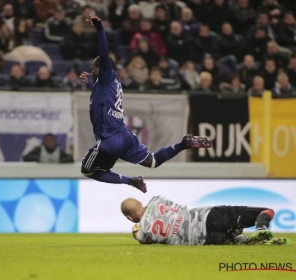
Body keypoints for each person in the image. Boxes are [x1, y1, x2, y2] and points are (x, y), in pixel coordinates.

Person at [79, 17, 212, 193]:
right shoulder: (109, 83)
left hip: (109, 140)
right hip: (124, 135)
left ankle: (130, 181)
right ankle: (183, 144)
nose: (91, 70)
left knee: (87, 170)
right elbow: (99, 97)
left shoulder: (106, 73)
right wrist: (90, 81)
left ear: (102, 68)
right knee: (152, 161)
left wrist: (100, 29)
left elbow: (104, 56)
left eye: (93, 68)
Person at [122, 196, 289, 246]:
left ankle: (257, 243)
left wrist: (135, 230)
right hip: (209, 216)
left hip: (204, 239)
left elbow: (140, 237)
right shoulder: (156, 199)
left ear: (130, 218)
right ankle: (261, 229)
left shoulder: (143, 232)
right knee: (266, 211)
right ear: (140, 203)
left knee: (238, 243)